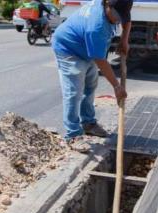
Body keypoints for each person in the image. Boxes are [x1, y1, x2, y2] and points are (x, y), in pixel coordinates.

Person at [52, 0, 132, 151]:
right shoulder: (96, 26)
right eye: (116, 15)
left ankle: (88, 123)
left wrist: (124, 40)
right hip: (68, 48)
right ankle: (73, 135)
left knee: (90, 84)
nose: (117, 20)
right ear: (108, 5)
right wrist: (116, 86)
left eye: (120, 17)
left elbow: (127, 21)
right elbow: (101, 61)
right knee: (74, 91)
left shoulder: (119, 5)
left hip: (85, 48)